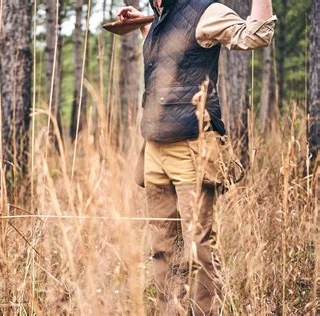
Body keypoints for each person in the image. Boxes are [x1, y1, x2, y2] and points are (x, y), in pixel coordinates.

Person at [116, 0, 276, 315]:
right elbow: (173, 57)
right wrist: (143, 22)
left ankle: (205, 312)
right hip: (154, 147)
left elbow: (256, 35)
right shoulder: (161, 14)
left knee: (200, 245)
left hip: (192, 145)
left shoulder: (207, 11)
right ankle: (170, 310)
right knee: (163, 245)